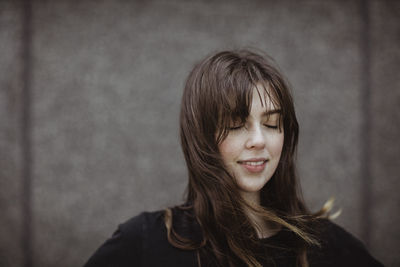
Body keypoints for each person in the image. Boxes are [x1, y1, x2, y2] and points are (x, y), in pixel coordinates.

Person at [83, 50, 384, 267]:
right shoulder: (146, 242)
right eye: (236, 124)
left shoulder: (326, 247)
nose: (258, 140)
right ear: (202, 135)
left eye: (271, 124)